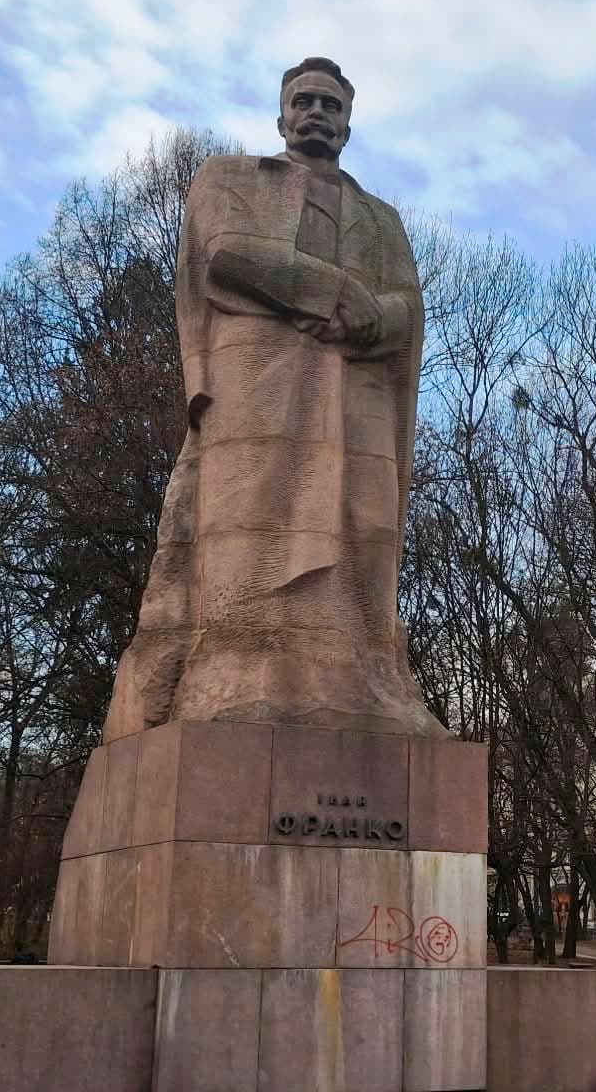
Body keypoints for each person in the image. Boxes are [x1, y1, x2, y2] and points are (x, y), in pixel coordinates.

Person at [102, 57, 447, 740]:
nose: (317, 113)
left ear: (348, 124)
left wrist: (373, 318)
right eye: (304, 101)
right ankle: (240, 678)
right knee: (249, 534)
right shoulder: (229, 177)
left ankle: (362, 682)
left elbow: (408, 304)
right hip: (259, 385)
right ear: (282, 116)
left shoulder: (382, 219)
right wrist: (336, 294)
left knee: (363, 528)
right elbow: (228, 256)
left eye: (331, 105)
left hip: (358, 391)